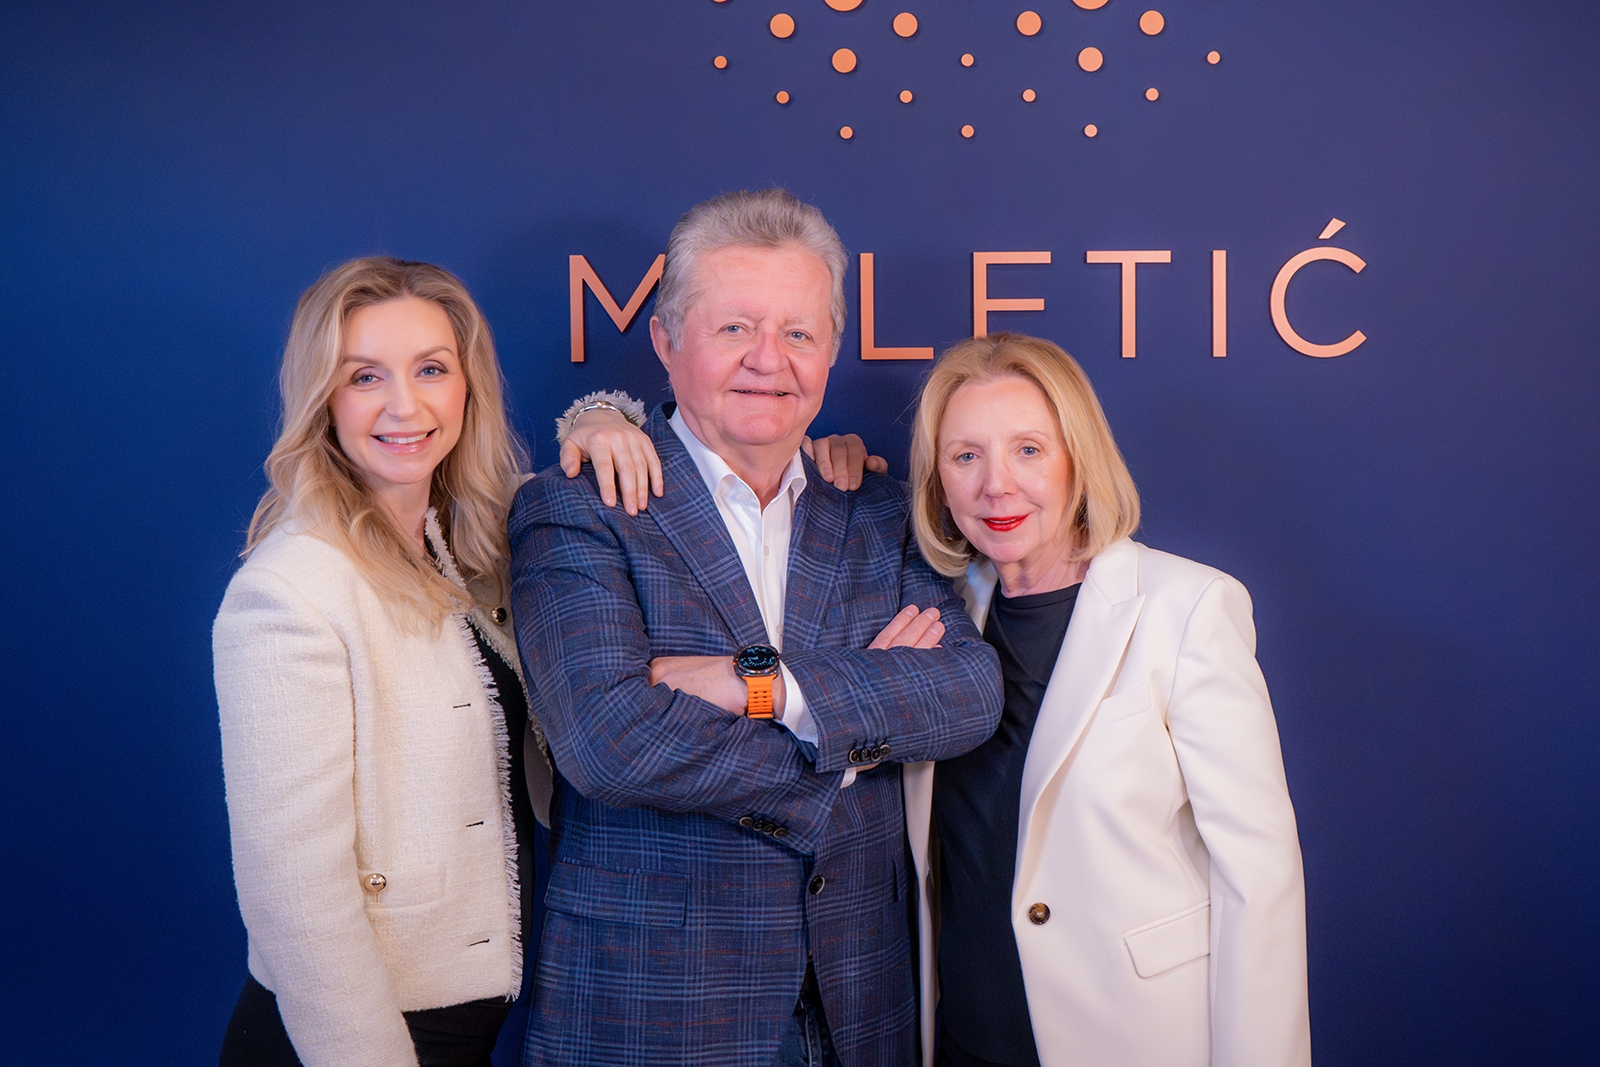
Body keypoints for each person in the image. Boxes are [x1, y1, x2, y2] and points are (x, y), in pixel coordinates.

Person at [508, 189, 1004, 1067]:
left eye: (798, 332)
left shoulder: (879, 507)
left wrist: (762, 685)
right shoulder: (577, 508)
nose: (769, 360)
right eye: (735, 328)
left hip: (861, 1007)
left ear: (832, 348)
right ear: (667, 341)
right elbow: (610, 741)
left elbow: (967, 692)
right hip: (655, 1011)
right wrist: (853, 736)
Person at [213, 256, 669, 1067]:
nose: (406, 405)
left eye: (431, 368)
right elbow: (295, 897)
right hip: (352, 1037)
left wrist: (598, 416)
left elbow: (563, 483)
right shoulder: (289, 590)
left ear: (467, 385)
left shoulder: (465, 543)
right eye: (365, 376)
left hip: (468, 1029)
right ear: (323, 398)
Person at [901, 333, 1311, 1067]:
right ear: (937, 481)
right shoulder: (933, 617)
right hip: (963, 1040)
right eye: (965, 456)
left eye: (1029, 449)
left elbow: (1259, 878)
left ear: (1078, 459)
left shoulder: (1187, 607)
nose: (996, 485)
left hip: (1132, 1039)